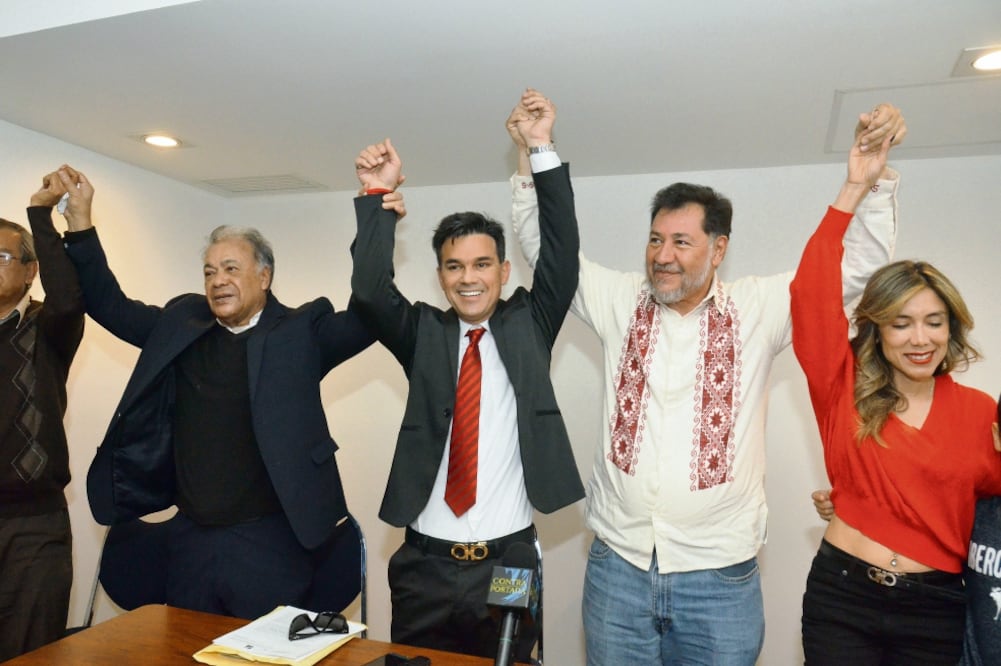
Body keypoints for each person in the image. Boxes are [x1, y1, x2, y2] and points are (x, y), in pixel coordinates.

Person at [510, 97, 907, 664]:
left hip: (719, 580)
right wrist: (533, 153)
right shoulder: (618, 298)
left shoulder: (761, 307)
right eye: (655, 239)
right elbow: (548, 254)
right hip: (617, 571)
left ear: (719, 248)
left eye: (680, 242)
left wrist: (872, 181)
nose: (662, 256)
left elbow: (852, 273)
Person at [51, 166, 375, 620]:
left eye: (230, 269)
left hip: (271, 541)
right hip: (191, 538)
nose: (217, 280)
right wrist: (80, 222)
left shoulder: (302, 331)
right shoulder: (182, 324)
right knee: (187, 651)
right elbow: (109, 305)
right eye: (209, 271)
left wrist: (375, 211)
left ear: (264, 277)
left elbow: (370, 313)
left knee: (260, 656)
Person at [350, 90, 584, 660]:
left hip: (508, 563)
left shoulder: (531, 322)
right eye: (454, 266)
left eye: (482, 264)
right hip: (423, 565)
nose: (469, 278)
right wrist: (377, 197)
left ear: (504, 271)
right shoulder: (423, 333)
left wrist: (540, 148)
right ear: (440, 276)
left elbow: (562, 252)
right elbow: (369, 292)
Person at [791, 125, 1001, 663]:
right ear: (878, 331)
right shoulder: (841, 388)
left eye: (934, 322)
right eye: (902, 323)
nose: (920, 338)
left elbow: (986, 510)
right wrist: (854, 188)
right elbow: (811, 294)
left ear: (951, 330)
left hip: (934, 609)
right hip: (842, 596)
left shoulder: (981, 414)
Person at [812, 401, 1001, 665]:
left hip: (931, 617)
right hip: (851, 597)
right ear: (996, 437)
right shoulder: (985, 511)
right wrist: (850, 501)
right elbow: (938, 492)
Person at [0, 170, 85, 660]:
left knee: (32, 653)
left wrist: (41, 214)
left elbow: (70, 297)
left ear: (31, 271)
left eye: (3, 255)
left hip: (33, 527)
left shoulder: (47, 331)